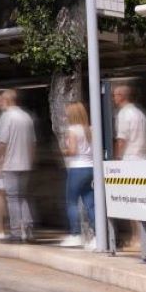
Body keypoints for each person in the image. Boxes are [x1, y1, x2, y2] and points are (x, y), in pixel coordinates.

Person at [0, 89, 36, 242]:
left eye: (0, 99)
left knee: (13, 198)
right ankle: (28, 230)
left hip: (10, 164)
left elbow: (1, 143)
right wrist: (30, 161)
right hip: (25, 164)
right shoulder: (26, 117)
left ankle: (15, 233)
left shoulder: (7, 117)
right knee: (22, 197)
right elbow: (33, 143)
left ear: (7, 100)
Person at [112, 84, 146, 250]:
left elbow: (121, 140)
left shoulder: (124, 114)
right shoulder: (140, 114)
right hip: (141, 158)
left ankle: (137, 238)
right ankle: (138, 237)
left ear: (122, 96)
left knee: (132, 202)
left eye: (115, 95)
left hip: (129, 160)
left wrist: (116, 158)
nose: (113, 98)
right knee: (138, 200)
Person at [58, 101, 95, 248]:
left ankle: (75, 234)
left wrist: (63, 151)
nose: (65, 115)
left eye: (67, 113)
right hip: (90, 168)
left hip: (77, 168)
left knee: (72, 202)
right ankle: (97, 236)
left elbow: (73, 151)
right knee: (90, 203)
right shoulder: (90, 129)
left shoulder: (72, 130)